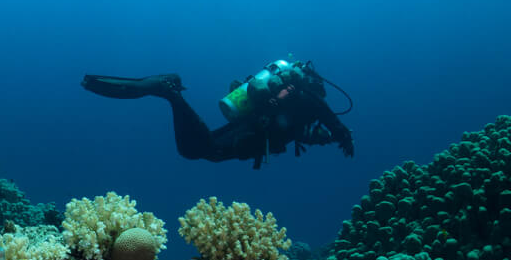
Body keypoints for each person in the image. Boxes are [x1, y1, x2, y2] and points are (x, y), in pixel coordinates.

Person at [81, 59, 354, 169]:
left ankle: (168, 93)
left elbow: (310, 129)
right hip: (256, 133)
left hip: (253, 125)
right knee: (208, 151)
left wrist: (330, 137)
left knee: (196, 149)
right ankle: (168, 92)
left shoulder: (301, 99)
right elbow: (332, 121)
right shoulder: (312, 100)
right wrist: (344, 138)